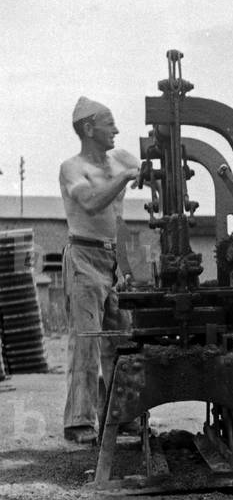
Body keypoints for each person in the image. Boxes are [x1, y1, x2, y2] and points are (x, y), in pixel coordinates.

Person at [59, 97, 141, 445]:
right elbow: (92, 203)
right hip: (82, 257)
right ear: (89, 128)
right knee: (87, 342)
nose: (117, 130)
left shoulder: (121, 158)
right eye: (110, 124)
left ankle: (120, 416)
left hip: (112, 259)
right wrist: (125, 178)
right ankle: (80, 422)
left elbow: (151, 171)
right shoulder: (72, 168)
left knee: (121, 341)